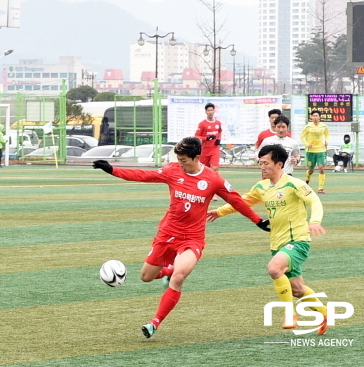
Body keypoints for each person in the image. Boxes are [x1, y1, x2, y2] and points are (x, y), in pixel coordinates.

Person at [92, 137, 270, 339]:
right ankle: (168, 270)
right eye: (178, 159)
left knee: (178, 279)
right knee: (146, 277)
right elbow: (143, 175)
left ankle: (154, 323)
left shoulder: (213, 180)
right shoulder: (173, 170)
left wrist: (257, 220)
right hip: (167, 234)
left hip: (192, 239)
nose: (180, 163)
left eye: (184, 159)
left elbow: (236, 200)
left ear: (196, 157)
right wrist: (112, 170)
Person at [207, 144, 328, 335]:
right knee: (297, 290)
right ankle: (325, 312)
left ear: (279, 164)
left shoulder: (293, 184)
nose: (262, 167)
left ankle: (290, 314)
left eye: (265, 163)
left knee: (274, 268)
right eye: (260, 163)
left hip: (298, 241)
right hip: (278, 244)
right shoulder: (262, 187)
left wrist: (314, 221)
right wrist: (220, 212)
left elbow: (314, 201)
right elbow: (242, 201)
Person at [195, 103, 222, 201]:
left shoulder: (218, 123)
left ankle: (215, 192)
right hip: (205, 150)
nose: (210, 112)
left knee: (215, 168)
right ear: (206, 112)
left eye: (212, 110)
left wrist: (218, 139)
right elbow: (197, 136)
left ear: (214, 111)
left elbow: (219, 132)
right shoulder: (202, 124)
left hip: (215, 149)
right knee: (203, 170)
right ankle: (202, 190)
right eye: (208, 110)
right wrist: (206, 138)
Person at [300, 110, 329, 193]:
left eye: (317, 116)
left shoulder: (323, 126)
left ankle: (320, 188)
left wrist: (326, 141)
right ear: (311, 117)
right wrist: (306, 144)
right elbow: (302, 136)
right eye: (314, 116)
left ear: (319, 117)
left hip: (321, 150)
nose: (315, 117)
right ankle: (307, 180)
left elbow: (327, 134)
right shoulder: (308, 127)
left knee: (321, 168)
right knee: (311, 170)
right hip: (311, 151)